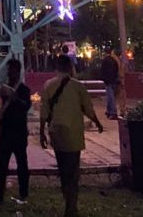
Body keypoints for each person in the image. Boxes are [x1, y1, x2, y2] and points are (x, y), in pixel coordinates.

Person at [39, 54, 103, 217]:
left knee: (63, 169)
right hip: (73, 133)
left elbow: (44, 111)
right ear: (70, 68)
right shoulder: (78, 86)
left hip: (56, 132)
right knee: (73, 171)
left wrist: (41, 132)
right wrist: (97, 122)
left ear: (56, 68)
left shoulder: (48, 85)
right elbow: (88, 109)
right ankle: (71, 207)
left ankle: (68, 201)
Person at [0, 58, 32, 205]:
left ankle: (23, 192)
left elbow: (25, 107)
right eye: (8, 70)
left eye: (11, 70)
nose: (9, 73)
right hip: (6, 132)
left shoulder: (24, 90)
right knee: (1, 165)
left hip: (18, 133)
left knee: (22, 164)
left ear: (17, 72)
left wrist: (15, 97)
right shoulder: (6, 88)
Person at [100, 47, 120, 120]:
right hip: (113, 80)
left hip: (108, 81)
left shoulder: (105, 60)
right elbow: (116, 70)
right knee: (110, 96)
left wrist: (103, 78)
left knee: (110, 97)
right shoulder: (113, 60)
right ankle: (109, 111)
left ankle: (113, 112)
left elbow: (103, 71)